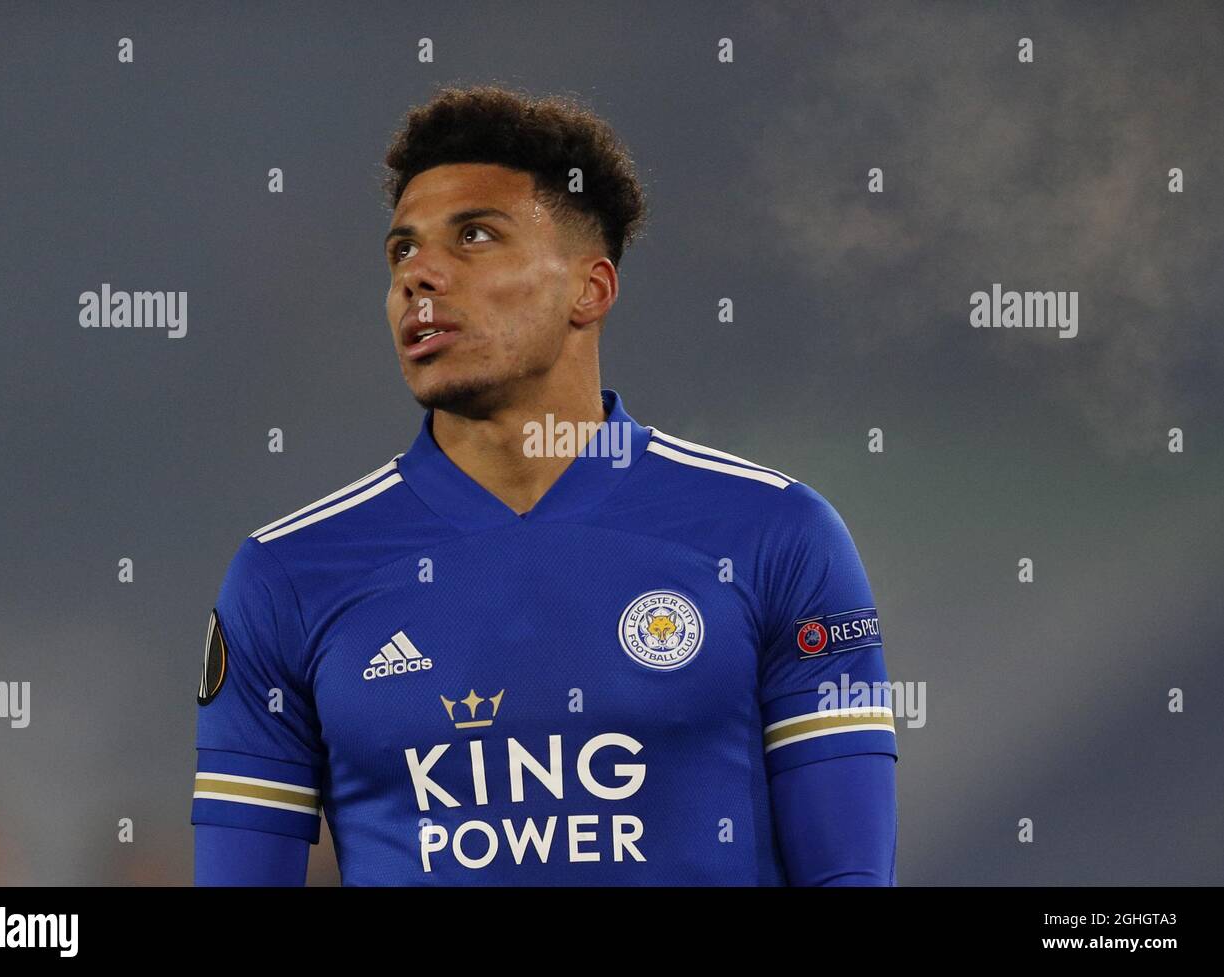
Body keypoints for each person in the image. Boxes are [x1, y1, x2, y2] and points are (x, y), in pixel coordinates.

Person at [192, 84, 898, 885]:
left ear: (587, 289)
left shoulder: (776, 535)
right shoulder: (286, 574)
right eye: (402, 252)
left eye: (474, 237)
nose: (419, 275)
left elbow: (850, 876)